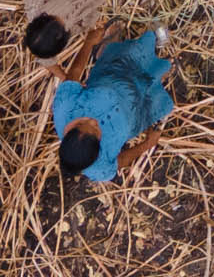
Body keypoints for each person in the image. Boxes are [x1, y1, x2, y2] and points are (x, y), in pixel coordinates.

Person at [52, 25, 174, 184]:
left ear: (68, 129)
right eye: (96, 130)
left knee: (127, 53)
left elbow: (74, 73)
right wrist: (148, 144)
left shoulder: (64, 107)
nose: (92, 121)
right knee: (152, 86)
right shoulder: (99, 169)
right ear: (98, 152)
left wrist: (88, 43)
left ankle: (118, 44)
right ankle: (159, 70)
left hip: (114, 73)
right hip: (136, 111)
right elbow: (122, 160)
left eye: (82, 122)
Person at [23, 0, 128, 73]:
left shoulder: (34, 11)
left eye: (54, 18)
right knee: (88, 18)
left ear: (40, 20)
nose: (62, 19)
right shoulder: (49, 49)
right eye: (62, 25)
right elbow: (47, 62)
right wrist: (64, 78)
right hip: (80, 11)